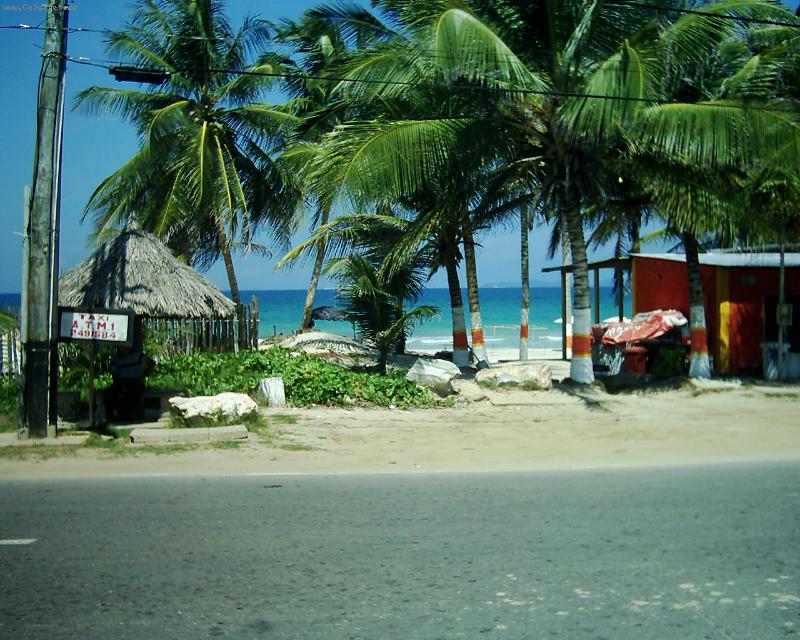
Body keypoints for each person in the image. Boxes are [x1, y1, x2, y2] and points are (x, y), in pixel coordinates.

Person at [106, 327, 155, 422]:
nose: (124, 349)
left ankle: (128, 416)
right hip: (121, 383)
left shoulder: (137, 356)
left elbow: (151, 363)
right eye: (122, 347)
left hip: (135, 382)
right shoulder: (115, 359)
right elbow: (114, 373)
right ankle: (112, 416)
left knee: (131, 393)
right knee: (108, 394)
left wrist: (145, 374)